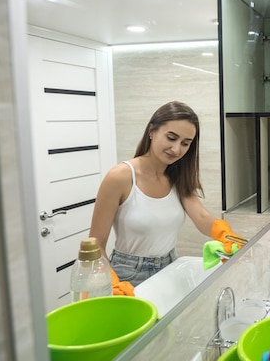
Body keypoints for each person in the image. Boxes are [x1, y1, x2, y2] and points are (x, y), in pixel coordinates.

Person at [89, 101, 242, 295]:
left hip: (171, 268)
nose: (177, 149)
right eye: (171, 138)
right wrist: (111, 283)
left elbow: (202, 217)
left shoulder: (177, 177)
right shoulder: (121, 177)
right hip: (127, 276)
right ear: (152, 131)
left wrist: (224, 235)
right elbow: (95, 245)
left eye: (185, 143)